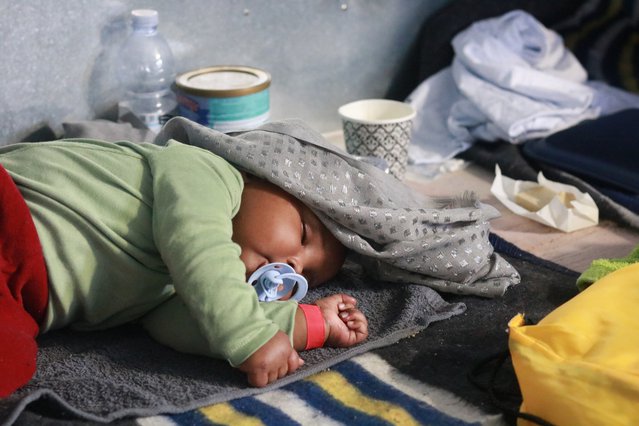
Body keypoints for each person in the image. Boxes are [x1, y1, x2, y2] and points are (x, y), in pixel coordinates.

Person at [0, 137, 368, 397]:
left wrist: (309, 324)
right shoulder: (207, 172)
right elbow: (199, 245)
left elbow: (193, 323)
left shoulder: (180, 287)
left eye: (307, 276)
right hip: (14, 213)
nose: (294, 264)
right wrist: (250, 335)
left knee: (11, 360)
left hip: (22, 296)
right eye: (303, 234)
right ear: (264, 178)